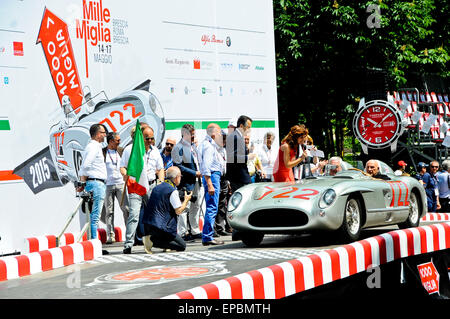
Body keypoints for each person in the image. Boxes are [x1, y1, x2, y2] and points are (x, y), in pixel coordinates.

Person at [120, 125, 164, 254]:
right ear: (140, 137)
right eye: (147, 138)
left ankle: (154, 242)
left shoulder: (155, 151)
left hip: (150, 185)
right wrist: (126, 176)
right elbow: (122, 167)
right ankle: (128, 244)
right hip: (135, 186)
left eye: (152, 138)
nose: (150, 141)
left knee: (154, 215)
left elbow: (160, 168)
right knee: (133, 215)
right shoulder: (130, 150)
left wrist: (160, 183)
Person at [141, 166, 192, 253]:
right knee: (182, 246)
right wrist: (186, 200)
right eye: (180, 176)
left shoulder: (157, 187)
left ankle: (155, 239)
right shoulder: (172, 190)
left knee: (172, 242)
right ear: (176, 177)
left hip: (149, 225)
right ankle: (152, 241)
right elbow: (178, 211)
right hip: (162, 228)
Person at [76, 124, 108, 240]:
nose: (105, 135)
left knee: (94, 216)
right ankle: (95, 243)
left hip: (95, 183)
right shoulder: (94, 147)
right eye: (103, 132)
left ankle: (94, 242)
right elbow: (85, 166)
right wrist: (82, 182)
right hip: (96, 183)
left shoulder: (93, 146)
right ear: (98, 134)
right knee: (95, 217)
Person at [172, 124, 202, 241]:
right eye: (192, 135)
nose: (194, 136)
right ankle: (183, 233)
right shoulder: (177, 148)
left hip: (196, 182)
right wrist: (194, 173)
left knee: (196, 205)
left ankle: (195, 230)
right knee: (185, 207)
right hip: (186, 182)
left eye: (194, 134)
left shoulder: (192, 146)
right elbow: (178, 166)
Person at [198, 123, 225, 245]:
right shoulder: (208, 146)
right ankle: (208, 236)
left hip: (212, 176)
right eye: (219, 133)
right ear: (214, 134)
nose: (221, 135)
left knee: (212, 206)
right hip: (212, 176)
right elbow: (206, 167)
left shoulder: (206, 144)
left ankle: (208, 235)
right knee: (212, 207)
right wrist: (210, 183)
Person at [101, 132, 129, 244]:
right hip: (108, 185)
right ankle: (110, 235)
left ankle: (129, 234)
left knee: (126, 209)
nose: (119, 142)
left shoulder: (121, 150)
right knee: (109, 211)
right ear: (111, 141)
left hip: (121, 183)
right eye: (117, 140)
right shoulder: (103, 152)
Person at [226, 115, 253, 193]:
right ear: (241, 126)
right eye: (248, 127)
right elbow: (231, 157)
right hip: (239, 178)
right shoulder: (235, 136)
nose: (249, 130)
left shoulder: (237, 136)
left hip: (240, 177)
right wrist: (248, 157)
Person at [215, 130, 232, 236]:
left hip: (224, 179)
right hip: (216, 178)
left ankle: (221, 228)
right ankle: (214, 229)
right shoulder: (214, 149)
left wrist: (228, 181)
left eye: (226, 139)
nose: (225, 141)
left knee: (222, 204)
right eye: (223, 138)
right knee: (214, 204)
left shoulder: (224, 150)